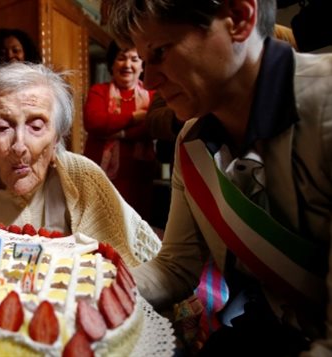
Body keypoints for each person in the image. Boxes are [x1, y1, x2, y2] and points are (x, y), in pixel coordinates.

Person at [108, 0, 332, 355]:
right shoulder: (191, 141)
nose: (148, 81)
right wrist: (91, 289)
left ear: (239, 18)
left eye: (160, 52)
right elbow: (175, 268)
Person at [0, 62, 161, 267]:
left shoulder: (84, 178)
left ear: (56, 138)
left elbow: (136, 262)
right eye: (4, 127)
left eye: (36, 126)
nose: (19, 146)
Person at [83, 41, 158, 222]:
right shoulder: (98, 91)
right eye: (121, 58)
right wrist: (134, 117)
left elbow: (151, 128)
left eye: (134, 59)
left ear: (142, 65)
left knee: (136, 227)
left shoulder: (153, 96)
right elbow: (94, 123)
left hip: (138, 177)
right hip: (100, 176)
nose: (127, 65)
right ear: (112, 64)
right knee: (99, 225)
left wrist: (121, 132)